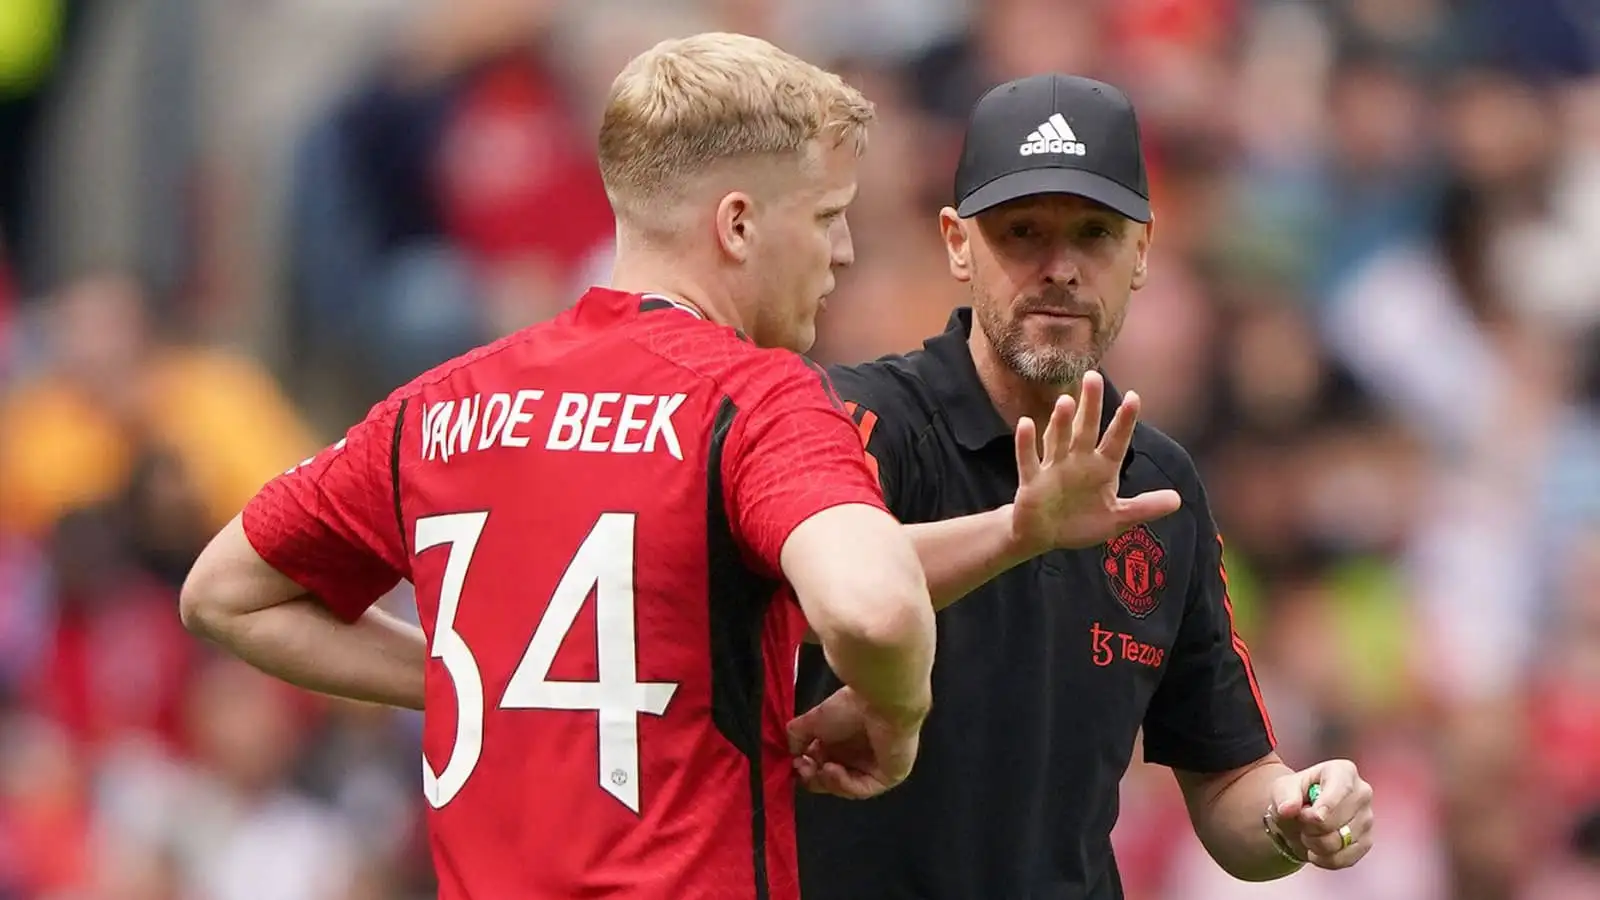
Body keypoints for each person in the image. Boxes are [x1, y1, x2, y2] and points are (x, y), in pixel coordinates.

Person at [179, 32, 943, 900]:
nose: (842, 251)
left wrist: (476, 684)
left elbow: (223, 594)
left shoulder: (442, 405)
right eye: (823, 216)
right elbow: (875, 610)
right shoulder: (753, 399)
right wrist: (896, 712)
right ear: (738, 224)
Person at [795, 73, 1377, 899]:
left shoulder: (1160, 483)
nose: (1060, 268)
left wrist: (1293, 811)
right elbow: (821, 597)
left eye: (1094, 234)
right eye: (1023, 231)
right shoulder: (862, 422)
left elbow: (1228, 783)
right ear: (957, 243)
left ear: (1141, 253)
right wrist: (1021, 530)